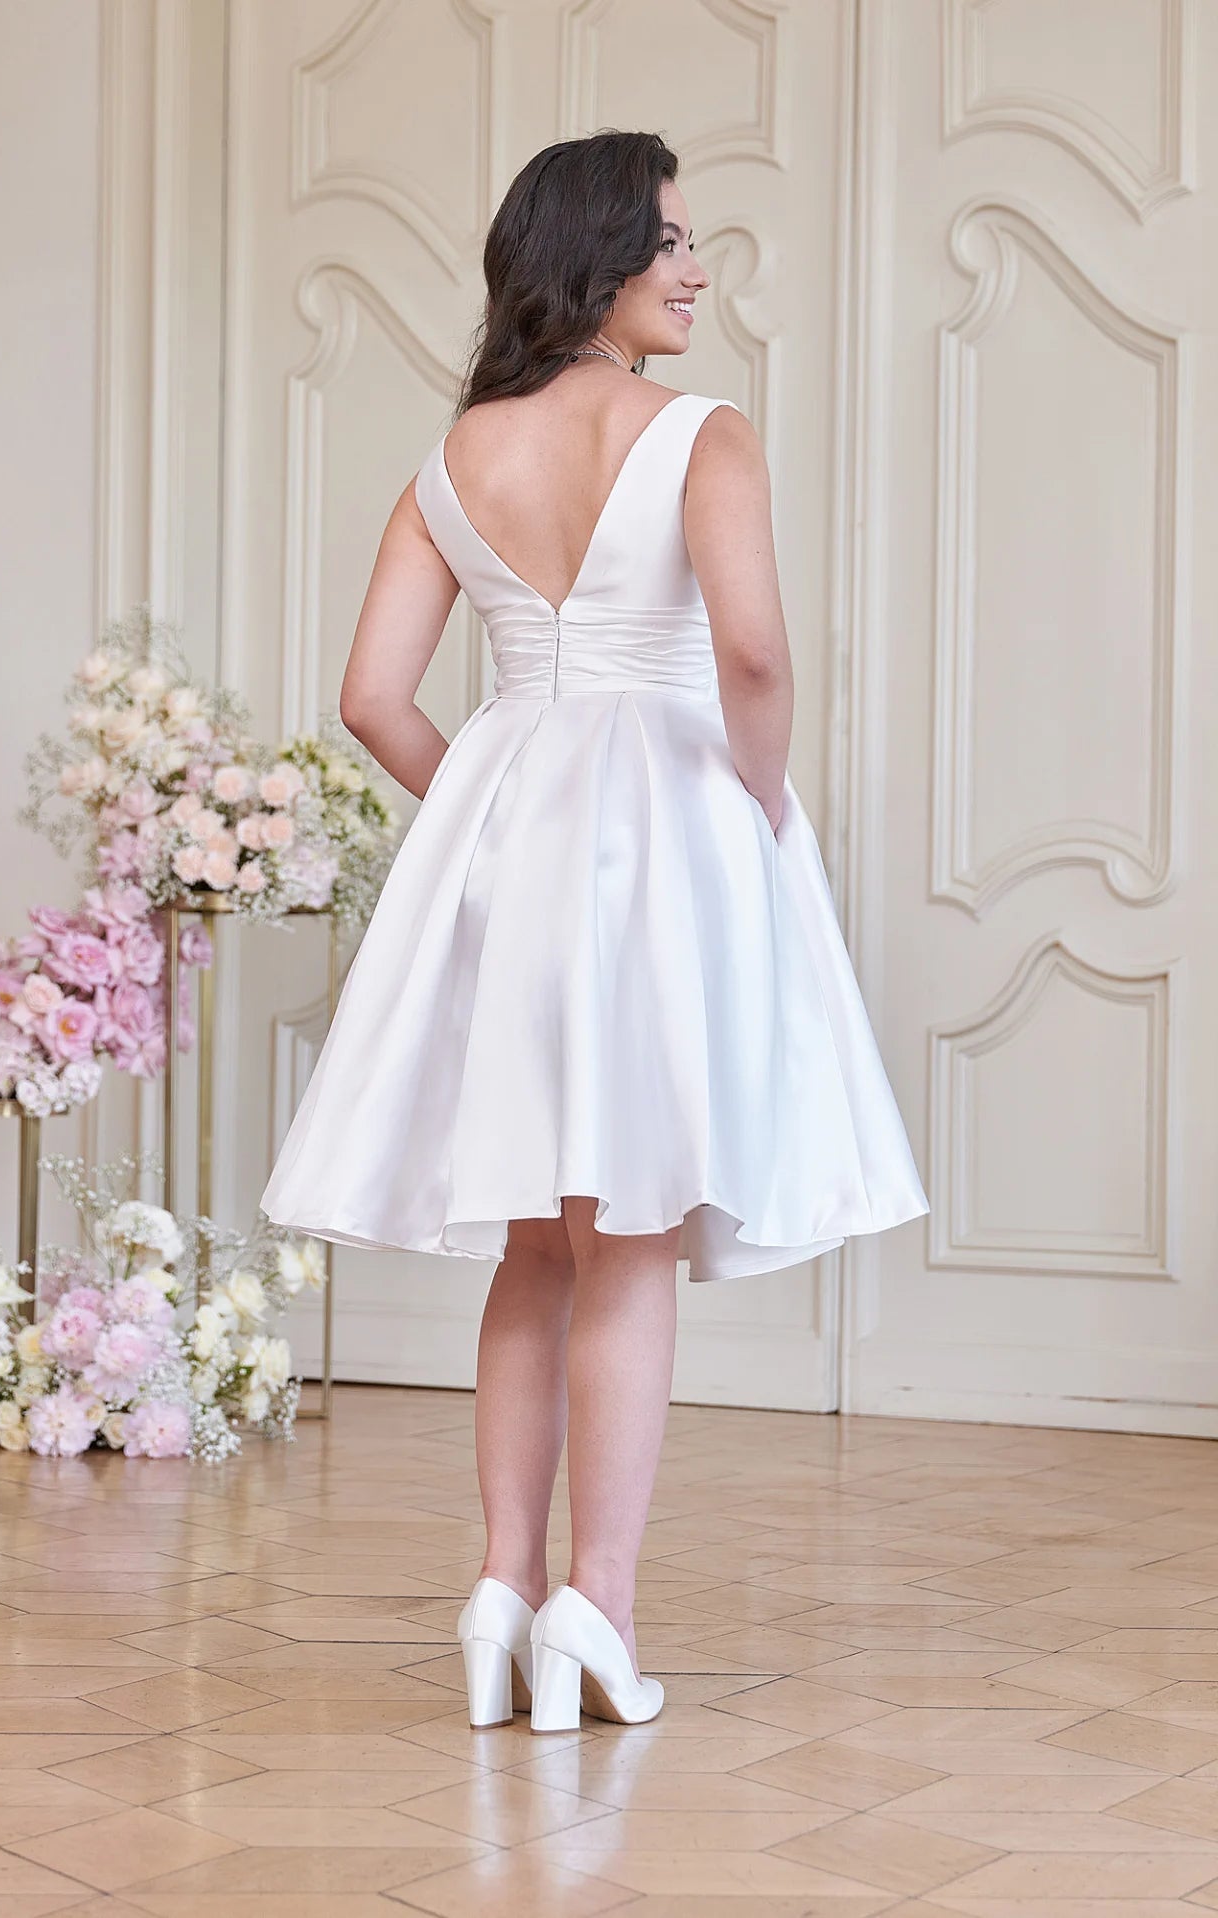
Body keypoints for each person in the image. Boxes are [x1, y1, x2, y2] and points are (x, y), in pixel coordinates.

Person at [261, 130, 929, 1733]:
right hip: (669, 835)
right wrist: (755, 805)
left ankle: (501, 1587)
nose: (697, 270)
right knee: (629, 1235)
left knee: (535, 1241)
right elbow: (753, 657)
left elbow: (371, 698)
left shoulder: (455, 459)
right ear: (598, 256)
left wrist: (487, 808)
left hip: (517, 846)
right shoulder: (701, 434)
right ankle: (595, 1610)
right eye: (673, 240)